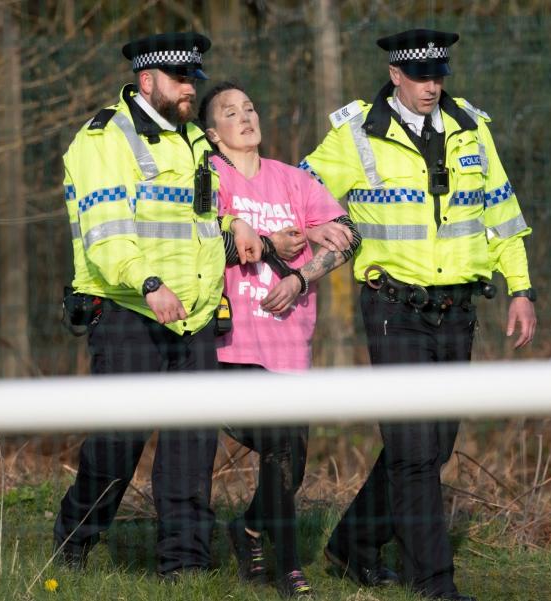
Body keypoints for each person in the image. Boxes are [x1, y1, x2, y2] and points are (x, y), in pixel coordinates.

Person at [299, 29, 537, 601]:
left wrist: (522, 288)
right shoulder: (356, 135)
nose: (433, 86)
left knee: (435, 445)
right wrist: (309, 228)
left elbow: (502, 213)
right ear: (395, 76)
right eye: (421, 75)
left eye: (440, 75)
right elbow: (301, 187)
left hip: (456, 308)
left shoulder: (471, 129)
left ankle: (352, 544)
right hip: (393, 306)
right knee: (410, 446)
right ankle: (433, 584)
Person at [54, 32, 261, 578]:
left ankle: (185, 566)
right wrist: (148, 284)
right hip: (130, 311)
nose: (191, 87)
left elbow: (193, 217)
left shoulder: (193, 140)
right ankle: (75, 539)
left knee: (191, 447)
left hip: (191, 319)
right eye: (180, 79)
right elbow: (105, 234)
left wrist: (231, 222)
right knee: (117, 445)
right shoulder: (103, 140)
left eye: (194, 77)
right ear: (147, 81)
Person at [197, 82, 361, 598]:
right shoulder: (207, 179)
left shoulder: (293, 180)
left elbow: (347, 235)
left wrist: (302, 276)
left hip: (289, 345)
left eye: (250, 107)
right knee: (278, 444)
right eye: (230, 112)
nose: (245, 117)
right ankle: (291, 569)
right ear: (211, 132)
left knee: (291, 458)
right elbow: (199, 242)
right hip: (231, 344)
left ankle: (247, 529)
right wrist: (267, 242)